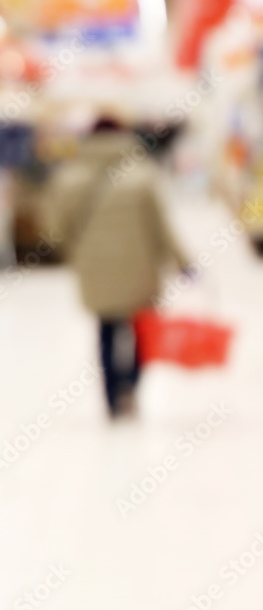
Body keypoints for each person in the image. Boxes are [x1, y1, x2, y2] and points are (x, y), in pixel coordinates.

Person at [49, 117, 191, 419]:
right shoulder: (142, 174)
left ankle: (112, 396)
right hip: (139, 266)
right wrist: (184, 263)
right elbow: (161, 228)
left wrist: (77, 252)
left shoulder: (70, 176)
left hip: (94, 265)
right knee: (141, 329)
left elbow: (56, 228)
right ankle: (130, 384)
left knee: (106, 329)